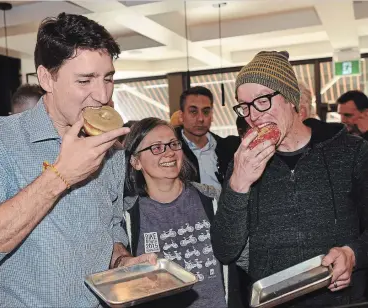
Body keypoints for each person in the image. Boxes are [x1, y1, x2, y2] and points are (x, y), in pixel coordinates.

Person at [0, 13, 155, 307]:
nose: (102, 95)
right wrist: (60, 176)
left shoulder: (111, 148)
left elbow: (109, 226)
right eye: (85, 80)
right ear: (46, 78)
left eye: (108, 78)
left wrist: (122, 261)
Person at [211, 51, 368, 307]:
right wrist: (238, 184)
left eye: (262, 100)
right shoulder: (243, 162)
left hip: (342, 300)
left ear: (291, 99)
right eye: (244, 106)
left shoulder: (351, 152)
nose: (252, 115)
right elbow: (225, 249)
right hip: (272, 301)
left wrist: (353, 254)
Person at [123, 117, 248, 308]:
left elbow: (245, 255)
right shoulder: (128, 217)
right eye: (156, 147)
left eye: (173, 144)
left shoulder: (212, 198)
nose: (170, 153)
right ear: (135, 161)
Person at [176, 86, 240, 190]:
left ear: (212, 115)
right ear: (181, 116)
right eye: (193, 111)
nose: (201, 118)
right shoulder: (170, 152)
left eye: (206, 112)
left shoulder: (229, 149)